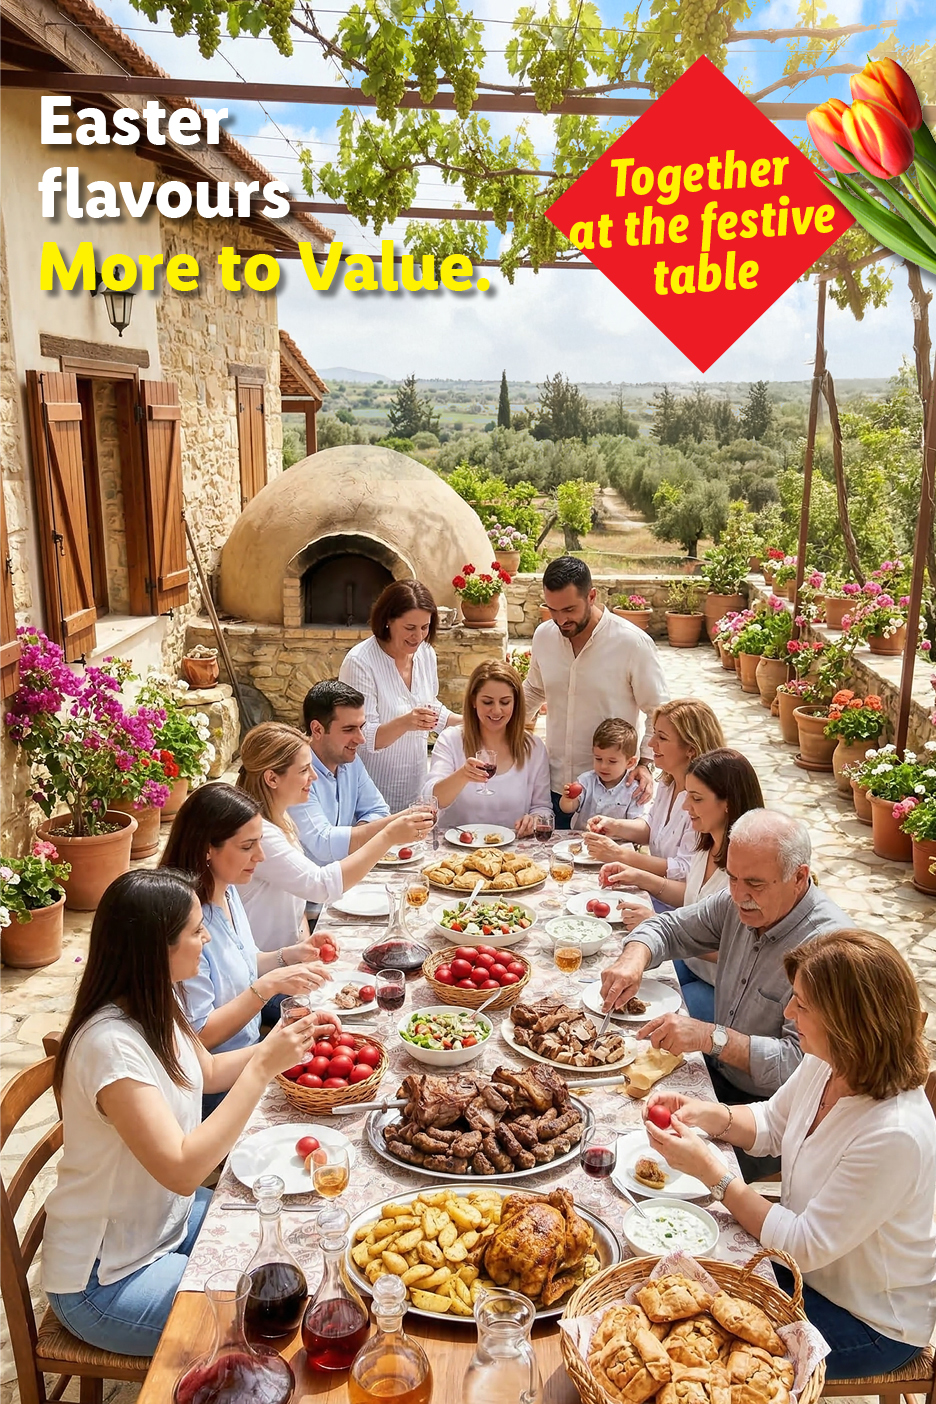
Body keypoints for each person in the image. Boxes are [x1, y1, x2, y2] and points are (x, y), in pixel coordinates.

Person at [42, 869, 336, 1356]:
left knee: (296, 1242)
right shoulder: (110, 1047)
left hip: (164, 1224)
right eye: (196, 931)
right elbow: (182, 1170)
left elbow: (212, 1071)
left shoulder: (154, 1001)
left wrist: (292, 1044)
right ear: (158, 948)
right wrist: (263, 1067)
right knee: (278, 1319)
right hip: (106, 1277)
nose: (207, 939)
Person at [641, 930, 936, 1379]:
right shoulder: (829, 1061)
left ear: (848, 1022)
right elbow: (772, 1124)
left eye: (802, 1004)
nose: (788, 1012)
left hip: (867, 1320)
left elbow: (801, 1244)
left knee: (697, 1347)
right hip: (800, 1270)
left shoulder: (895, 1134)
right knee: (666, 1286)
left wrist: (712, 1175)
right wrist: (709, 1115)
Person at [599, 809, 854, 1178]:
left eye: (754, 883)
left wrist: (710, 1037)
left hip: (767, 1120)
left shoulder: (831, 951)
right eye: (732, 878)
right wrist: (633, 958)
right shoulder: (738, 901)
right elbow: (670, 927)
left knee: (629, 1158)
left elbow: (799, 1068)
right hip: (715, 1086)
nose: (738, 895)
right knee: (610, 1115)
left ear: (799, 878)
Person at [160, 785, 334, 1115]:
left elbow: (241, 963)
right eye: (247, 846)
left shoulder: (225, 889)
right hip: (217, 1087)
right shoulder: (184, 924)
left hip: (251, 1055)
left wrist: (290, 955)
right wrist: (267, 987)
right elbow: (200, 1034)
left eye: (260, 843)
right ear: (207, 848)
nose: (261, 856)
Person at [236, 721, 432, 957]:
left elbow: (297, 903)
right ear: (272, 778)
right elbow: (320, 885)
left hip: (286, 961)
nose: (314, 777)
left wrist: (305, 948)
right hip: (264, 974)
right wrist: (387, 837)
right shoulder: (261, 835)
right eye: (303, 770)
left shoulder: (282, 819)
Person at [606, 748, 765, 1022]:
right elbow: (694, 900)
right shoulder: (705, 844)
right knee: (616, 966)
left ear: (728, 802)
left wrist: (661, 923)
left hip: (721, 990)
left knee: (638, 1014)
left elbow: (745, 952)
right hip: (690, 965)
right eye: (686, 795)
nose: (685, 807)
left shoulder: (749, 868)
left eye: (696, 798)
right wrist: (638, 876)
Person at [522, 556, 669, 828]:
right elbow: (533, 691)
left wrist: (647, 764)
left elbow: (658, 710)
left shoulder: (632, 643)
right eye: (552, 610)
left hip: (611, 795)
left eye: (569, 609)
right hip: (552, 787)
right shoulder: (544, 636)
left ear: (592, 596)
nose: (560, 619)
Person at [582, 699, 725, 918]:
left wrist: (621, 855)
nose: (651, 744)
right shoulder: (668, 782)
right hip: (652, 895)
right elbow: (652, 829)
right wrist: (614, 826)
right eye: (655, 734)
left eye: (662, 737)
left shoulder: (703, 803)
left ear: (690, 749)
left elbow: (685, 872)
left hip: (677, 911)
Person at [338, 579, 460, 810]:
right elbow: (360, 737)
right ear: (387, 621)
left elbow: (431, 709)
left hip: (415, 785)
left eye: (425, 627)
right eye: (410, 628)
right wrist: (406, 722)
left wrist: (472, 723)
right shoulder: (360, 662)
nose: (418, 636)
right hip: (371, 794)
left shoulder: (425, 654)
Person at [424, 660, 552, 835]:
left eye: (505, 702)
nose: (497, 711)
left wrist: (534, 820)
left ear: (516, 703)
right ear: (473, 701)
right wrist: (462, 775)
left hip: (513, 854)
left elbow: (543, 808)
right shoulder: (451, 740)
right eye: (488, 702)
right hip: (457, 853)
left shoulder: (534, 748)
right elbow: (432, 800)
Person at [290, 679, 395, 866]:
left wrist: (357, 836)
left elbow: (378, 810)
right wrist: (394, 827)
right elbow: (323, 843)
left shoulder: (350, 761)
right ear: (317, 729)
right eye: (349, 729)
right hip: (308, 892)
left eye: (361, 727)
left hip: (345, 881)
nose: (361, 739)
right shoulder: (294, 773)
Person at [557, 718, 651, 831]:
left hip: (617, 843)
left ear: (630, 762)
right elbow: (568, 809)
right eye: (598, 759)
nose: (603, 766)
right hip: (583, 841)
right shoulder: (586, 781)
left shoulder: (634, 790)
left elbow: (638, 823)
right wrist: (568, 799)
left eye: (612, 761)